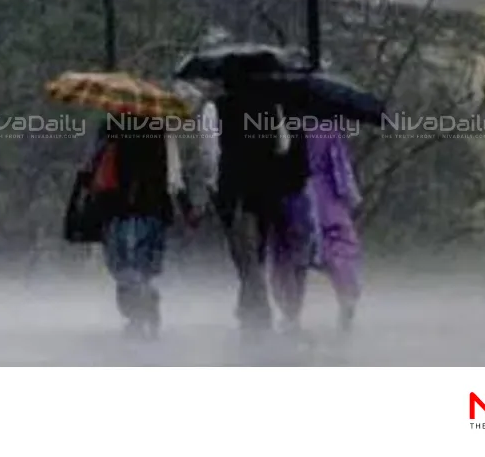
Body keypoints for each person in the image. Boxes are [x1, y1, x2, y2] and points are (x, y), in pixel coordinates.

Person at [86, 115, 188, 339]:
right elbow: (175, 173)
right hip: (154, 210)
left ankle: (138, 314)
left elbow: (94, 166)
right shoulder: (161, 126)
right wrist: (186, 207)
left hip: (119, 209)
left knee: (123, 267)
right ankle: (144, 306)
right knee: (142, 268)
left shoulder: (110, 126)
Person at [201, 83, 289, 335]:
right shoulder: (273, 106)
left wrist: (212, 183)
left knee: (244, 254)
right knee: (256, 253)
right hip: (266, 190)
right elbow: (283, 145)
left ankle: (259, 312)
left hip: (234, 191)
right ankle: (248, 308)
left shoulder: (215, 108)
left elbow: (209, 152)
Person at [268, 124, 363, 334]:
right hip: (326, 197)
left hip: (292, 193)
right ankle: (346, 296)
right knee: (339, 250)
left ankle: (290, 310)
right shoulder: (328, 127)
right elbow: (339, 164)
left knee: (288, 257)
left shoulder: (280, 120)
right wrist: (349, 196)